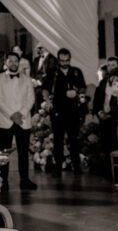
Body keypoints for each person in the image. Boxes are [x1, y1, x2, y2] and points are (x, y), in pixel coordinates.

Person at [43, 48, 87, 176]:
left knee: (74, 139)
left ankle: (76, 166)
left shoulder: (76, 72)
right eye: (62, 61)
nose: (65, 63)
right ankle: (58, 167)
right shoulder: (52, 72)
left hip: (73, 111)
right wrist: (47, 101)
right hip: (58, 110)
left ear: (70, 59)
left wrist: (77, 92)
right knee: (58, 140)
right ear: (58, 60)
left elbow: (83, 88)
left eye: (67, 60)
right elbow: (45, 89)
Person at [0, 52, 37, 191]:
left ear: (19, 62)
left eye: (16, 61)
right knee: (3, 153)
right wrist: (11, 115)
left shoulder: (27, 79)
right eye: (10, 61)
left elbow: (31, 99)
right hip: (5, 120)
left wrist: (20, 114)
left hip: (23, 120)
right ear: (5, 62)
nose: (13, 63)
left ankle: (25, 180)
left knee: (23, 152)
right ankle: (3, 180)